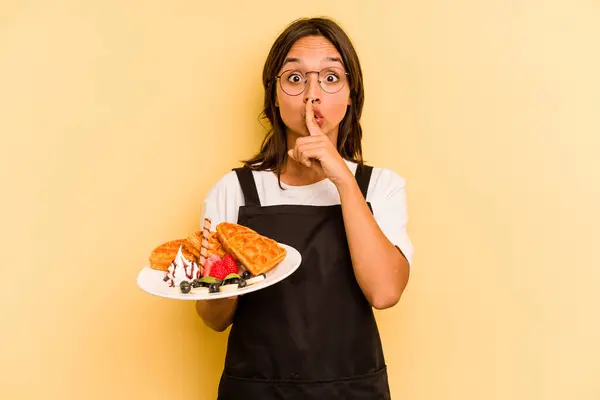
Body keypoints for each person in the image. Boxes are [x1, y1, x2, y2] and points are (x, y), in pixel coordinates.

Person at [195, 17, 413, 400]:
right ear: (274, 96)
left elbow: (385, 293)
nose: (313, 94)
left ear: (351, 96)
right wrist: (226, 272)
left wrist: (344, 182)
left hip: (352, 390)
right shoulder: (235, 190)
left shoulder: (380, 187)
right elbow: (213, 319)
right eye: (295, 78)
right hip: (255, 391)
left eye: (330, 78)